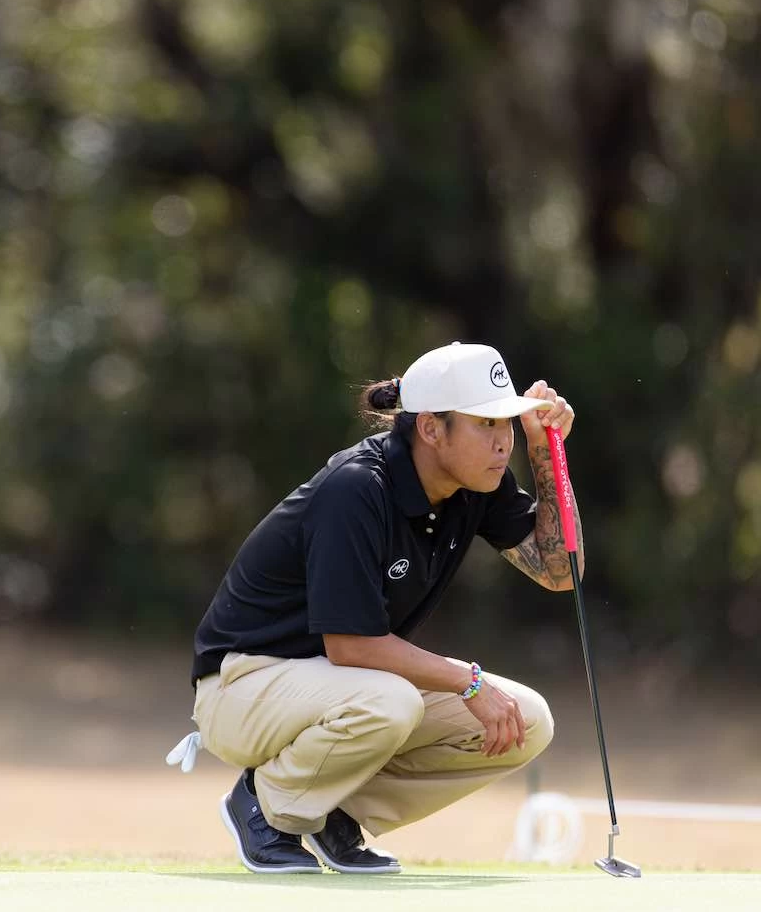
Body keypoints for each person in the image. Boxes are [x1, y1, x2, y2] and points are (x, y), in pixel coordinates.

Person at [188, 341, 580, 874]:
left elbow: (562, 573)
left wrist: (543, 450)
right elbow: (349, 645)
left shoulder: (474, 485)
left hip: (335, 685)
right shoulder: (356, 488)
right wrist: (469, 681)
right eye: (485, 425)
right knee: (392, 701)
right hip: (242, 685)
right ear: (430, 429)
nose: (500, 443)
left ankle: (333, 813)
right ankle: (264, 804)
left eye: (507, 425)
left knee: (527, 720)